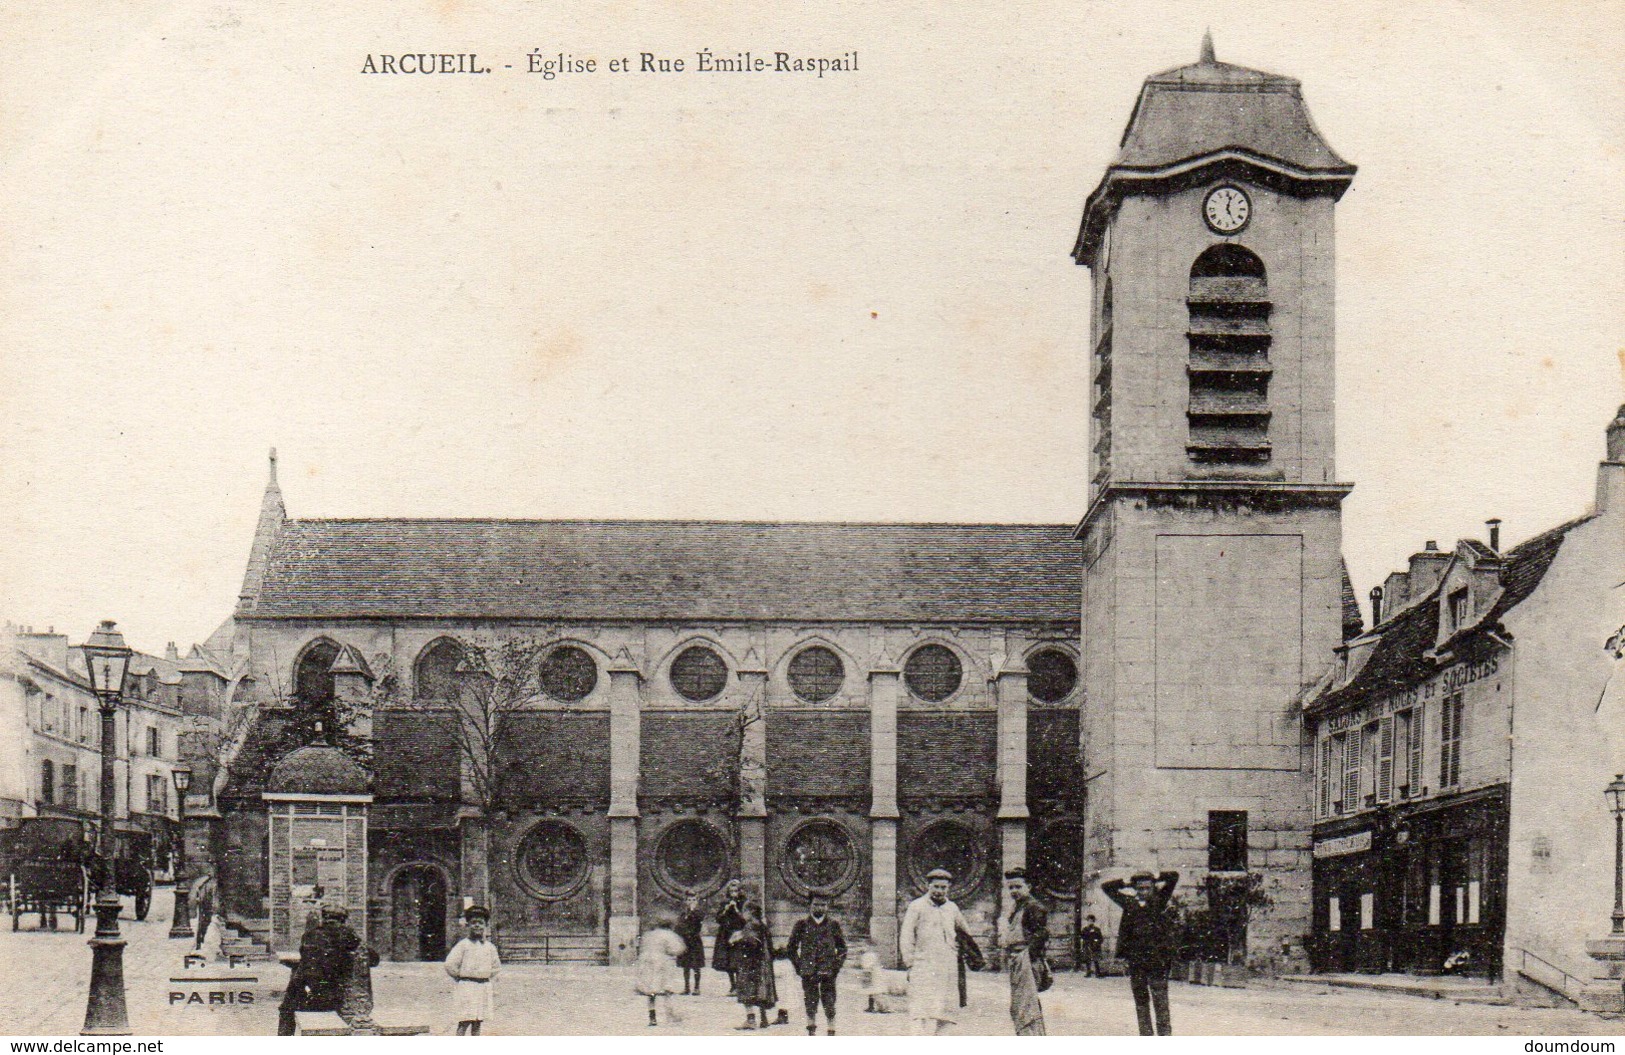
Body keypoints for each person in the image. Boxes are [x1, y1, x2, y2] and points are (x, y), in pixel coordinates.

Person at [1102, 870, 1180, 1036]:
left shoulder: (1159, 900)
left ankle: (1165, 1035)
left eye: (1147, 887)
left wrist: (1157, 877)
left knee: (1160, 998)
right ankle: (1145, 1034)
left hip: (1157, 960)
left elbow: (1173, 877)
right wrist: (1126, 882)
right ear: (1135, 889)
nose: (1144, 891)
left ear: (1153, 887)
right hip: (1136, 960)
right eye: (1140, 888)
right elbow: (1106, 887)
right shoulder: (1128, 902)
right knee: (1141, 999)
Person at [899, 867, 972, 1035]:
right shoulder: (916, 907)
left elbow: (965, 933)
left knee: (945, 1010)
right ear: (928, 886)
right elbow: (907, 936)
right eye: (936, 887)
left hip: (947, 966)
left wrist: (961, 950)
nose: (939, 891)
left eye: (943, 887)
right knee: (921, 1010)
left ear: (948, 888)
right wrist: (910, 963)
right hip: (923, 965)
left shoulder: (952, 908)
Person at [786, 892, 847, 1035]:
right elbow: (791, 948)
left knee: (829, 1001)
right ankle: (811, 1031)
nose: (819, 908)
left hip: (828, 971)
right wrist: (799, 966)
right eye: (816, 904)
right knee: (810, 1001)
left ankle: (831, 1030)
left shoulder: (833, 925)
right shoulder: (801, 925)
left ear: (827, 907)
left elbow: (842, 949)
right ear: (810, 906)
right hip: (808, 970)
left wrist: (835, 967)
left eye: (823, 905)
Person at [999, 868, 1048, 1036]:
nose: (1014, 891)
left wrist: (1028, 957)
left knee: (1027, 1007)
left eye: (1018, 887)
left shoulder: (1033, 907)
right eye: (1011, 888)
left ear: (1029, 886)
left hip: (1025, 960)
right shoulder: (1017, 907)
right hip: (1017, 959)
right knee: (1019, 1005)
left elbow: (1041, 934)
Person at [444, 905, 502, 1036]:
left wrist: (486, 977)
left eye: (480, 923)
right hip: (467, 987)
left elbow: (496, 967)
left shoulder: (489, 947)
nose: (477, 926)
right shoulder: (463, 945)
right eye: (473, 923)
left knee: (478, 1021)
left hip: (483, 988)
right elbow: (450, 964)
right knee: (465, 1020)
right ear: (468, 925)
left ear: (485, 926)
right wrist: (459, 976)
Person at [276, 909, 327, 1036]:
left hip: (322, 987)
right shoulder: (345, 935)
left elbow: (307, 963)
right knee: (294, 992)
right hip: (325, 983)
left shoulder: (310, 936)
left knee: (288, 1004)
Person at [728, 900, 778, 1029]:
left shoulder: (750, 925)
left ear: (750, 912)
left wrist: (737, 939)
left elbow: (752, 942)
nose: (743, 915)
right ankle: (763, 1018)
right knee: (761, 992)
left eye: (744, 911)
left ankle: (750, 1020)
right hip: (763, 964)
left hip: (750, 964)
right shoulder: (762, 925)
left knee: (747, 991)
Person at [635, 915, 687, 1027]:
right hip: (663, 962)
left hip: (647, 962)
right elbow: (678, 949)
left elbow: (640, 947)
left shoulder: (649, 935)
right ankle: (670, 1014)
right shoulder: (670, 935)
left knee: (651, 991)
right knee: (667, 989)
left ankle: (652, 1017)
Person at [713, 880, 747, 995]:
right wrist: (726, 909)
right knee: (728, 961)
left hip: (737, 934)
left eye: (736, 891)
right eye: (731, 891)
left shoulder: (743, 902)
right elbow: (718, 918)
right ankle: (733, 986)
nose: (733, 893)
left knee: (737, 961)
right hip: (726, 934)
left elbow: (745, 919)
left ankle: (739, 986)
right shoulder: (724, 903)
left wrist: (737, 910)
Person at [675, 895, 707, 995]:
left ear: (697, 901)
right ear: (686, 901)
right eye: (689, 900)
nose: (691, 902)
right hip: (685, 941)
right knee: (686, 965)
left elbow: (698, 920)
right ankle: (686, 987)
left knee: (696, 966)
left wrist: (692, 912)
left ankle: (697, 987)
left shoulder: (699, 913)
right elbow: (679, 925)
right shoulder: (683, 913)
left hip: (695, 941)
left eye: (693, 900)